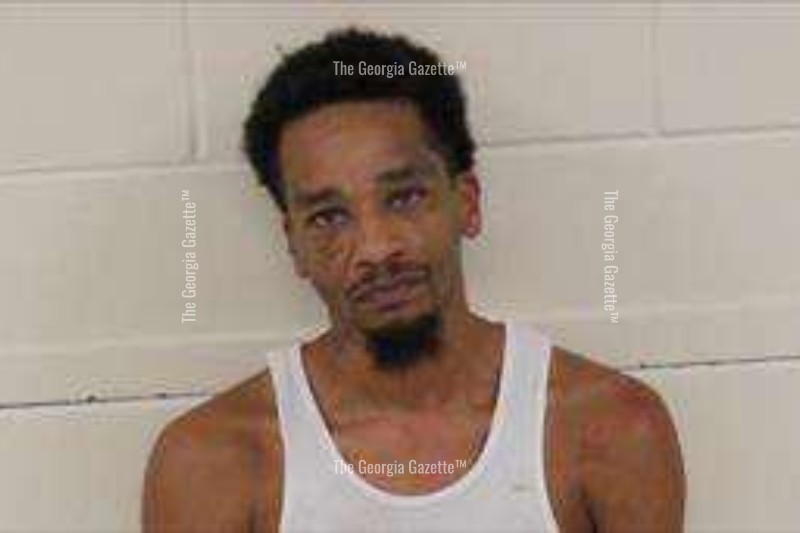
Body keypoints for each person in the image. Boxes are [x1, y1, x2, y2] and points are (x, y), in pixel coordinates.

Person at [143, 28, 685, 532]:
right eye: (329, 216)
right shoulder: (214, 461)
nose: (377, 248)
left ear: (466, 203)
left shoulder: (609, 429)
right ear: (294, 244)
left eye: (404, 198)